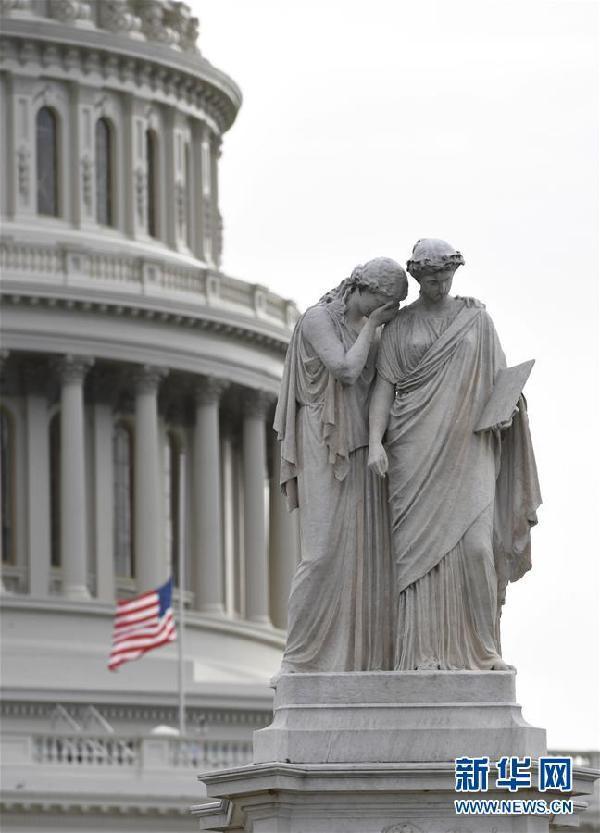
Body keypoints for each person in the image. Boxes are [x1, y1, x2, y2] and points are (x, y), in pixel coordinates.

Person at [368, 239, 541, 671]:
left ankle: (483, 651)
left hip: (470, 445)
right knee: (417, 561)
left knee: (477, 550)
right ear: (416, 278)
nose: (440, 283)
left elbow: (501, 381)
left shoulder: (477, 321)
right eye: (431, 278)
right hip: (413, 448)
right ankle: (421, 654)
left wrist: (509, 410)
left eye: (446, 276)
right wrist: (374, 441)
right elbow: (384, 389)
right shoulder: (400, 328)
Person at [274, 257, 408, 673]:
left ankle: (354, 658)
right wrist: (373, 326)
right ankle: (299, 658)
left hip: (359, 444)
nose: (386, 314)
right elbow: (347, 370)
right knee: (320, 553)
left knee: (361, 556)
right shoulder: (318, 319)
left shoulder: (377, 330)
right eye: (384, 304)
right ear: (361, 289)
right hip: (323, 438)